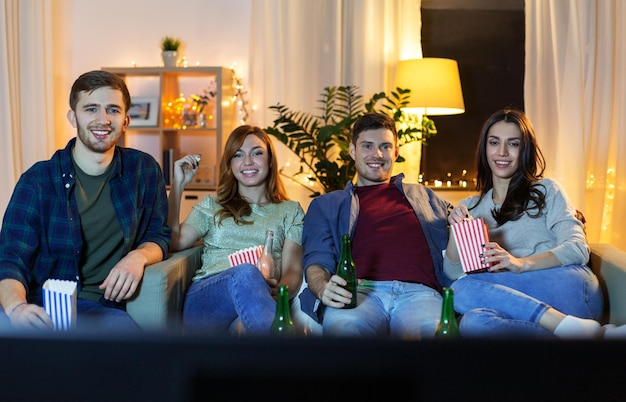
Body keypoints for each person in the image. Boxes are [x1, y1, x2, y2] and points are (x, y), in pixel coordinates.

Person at [0, 70, 171, 332]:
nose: (102, 120)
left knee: (131, 345)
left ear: (125, 120)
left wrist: (139, 256)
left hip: (102, 307)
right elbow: (11, 259)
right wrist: (16, 308)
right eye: (91, 109)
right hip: (41, 305)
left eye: (112, 110)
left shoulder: (144, 170)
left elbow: (158, 233)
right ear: (73, 117)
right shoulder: (38, 180)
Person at [444, 107, 605, 339]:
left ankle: (567, 327)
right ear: (484, 148)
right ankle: (578, 335)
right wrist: (455, 231)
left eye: (513, 144)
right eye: (494, 142)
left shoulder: (547, 190)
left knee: (460, 291)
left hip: (568, 287)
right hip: (516, 304)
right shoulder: (471, 206)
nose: (502, 152)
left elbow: (578, 249)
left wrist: (520, 263)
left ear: (525, 149)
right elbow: (453, 272)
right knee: (474, 323)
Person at [300, 112, 453, 339]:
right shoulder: (327, 205)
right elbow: (316, 262)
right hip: (359, 292)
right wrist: (322, 287)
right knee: (346, 336)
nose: (377, 154)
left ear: (396, 152)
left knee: (430, 344)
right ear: (353, 151)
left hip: (420, 294)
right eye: (368, 146)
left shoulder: (425, 197)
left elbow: (464, 237)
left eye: (385, 146)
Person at [168, 125, 304, 336]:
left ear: (269, 160)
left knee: (244, 330)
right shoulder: (213, 205)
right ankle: (291, 360)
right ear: (230, 164)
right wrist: (177, 185)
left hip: (257, 302)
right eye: (238, 155)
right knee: (246, 272)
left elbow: (293, 269)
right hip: (207, 302)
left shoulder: (290, 211)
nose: (248, 162)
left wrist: (279, 291)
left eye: (257, 153)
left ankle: (278, 360)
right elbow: (173, 241)